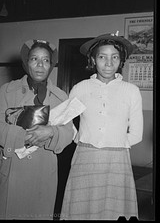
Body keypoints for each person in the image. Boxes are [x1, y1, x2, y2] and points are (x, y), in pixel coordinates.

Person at [0, 39, 74, 220]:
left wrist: (51, 132)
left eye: (46, 60)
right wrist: (26, 136)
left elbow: (68, 132)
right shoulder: (7, 91)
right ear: (27, 62)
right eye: (34, 59)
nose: (40, 65)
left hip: (44, 169)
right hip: (11, 166)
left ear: (51, 64)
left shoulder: (60, 96)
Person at [60, 32, 143, 220]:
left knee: (113, 212)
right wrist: (79, 137)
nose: (108, 63)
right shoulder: (81, 88)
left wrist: (113, 143)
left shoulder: (131, 91)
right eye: (102, 57)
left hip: (117, 159)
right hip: (85, 157)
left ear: (121, 60)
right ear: (93, 59)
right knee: (82, 209)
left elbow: (136, 133)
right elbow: (65, 120)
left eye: (114, 57)